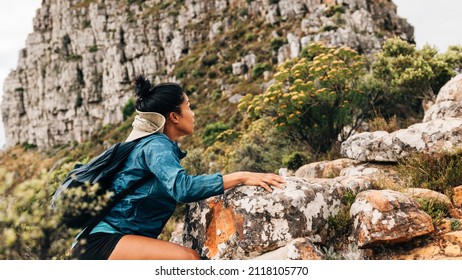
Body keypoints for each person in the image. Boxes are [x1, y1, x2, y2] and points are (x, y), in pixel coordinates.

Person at [70, 75, 285, 260]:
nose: (193, 114)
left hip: (102, 242)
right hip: (102, 243)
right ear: (174, 116)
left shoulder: (156, 144)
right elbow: (183, 188)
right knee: (188, 260)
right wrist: (241, 176)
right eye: (188, 106)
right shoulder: (156, 145)